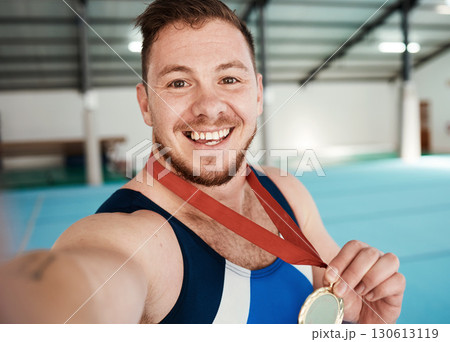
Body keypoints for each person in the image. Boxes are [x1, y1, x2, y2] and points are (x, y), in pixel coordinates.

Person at [0, 0, 405, 324]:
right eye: (178, 82)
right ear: (145, 104)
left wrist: (366, 328)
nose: (209, 108)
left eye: (229, 79)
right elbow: (78, 288)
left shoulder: (287, 193)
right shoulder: (136, 238)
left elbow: (340, 304)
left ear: (258, 93)